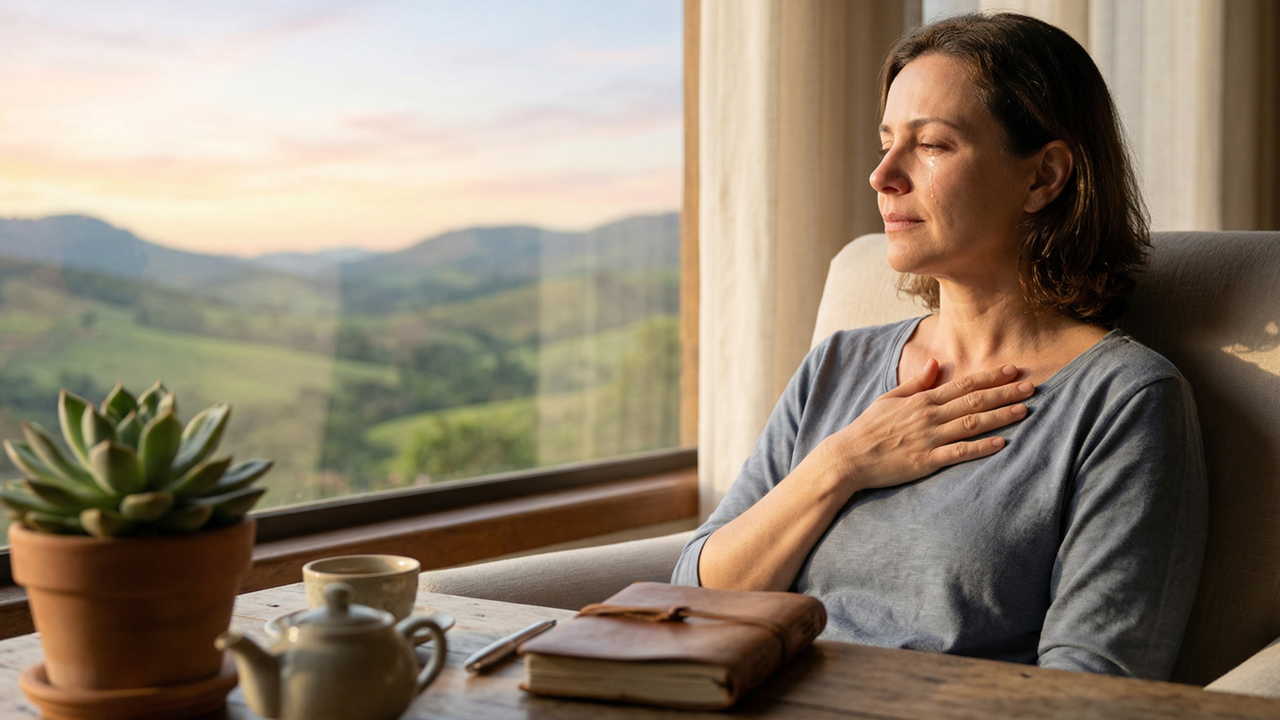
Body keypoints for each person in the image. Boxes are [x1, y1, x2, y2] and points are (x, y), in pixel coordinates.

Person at [671, 12, 1207, 681]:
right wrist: (843, 461)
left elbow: (1092, 685)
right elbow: (695, 594)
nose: (883, 176)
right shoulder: (838, 366)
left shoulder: (1126, 401)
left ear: (1043, 177)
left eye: (932, 145)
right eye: (886, 142)